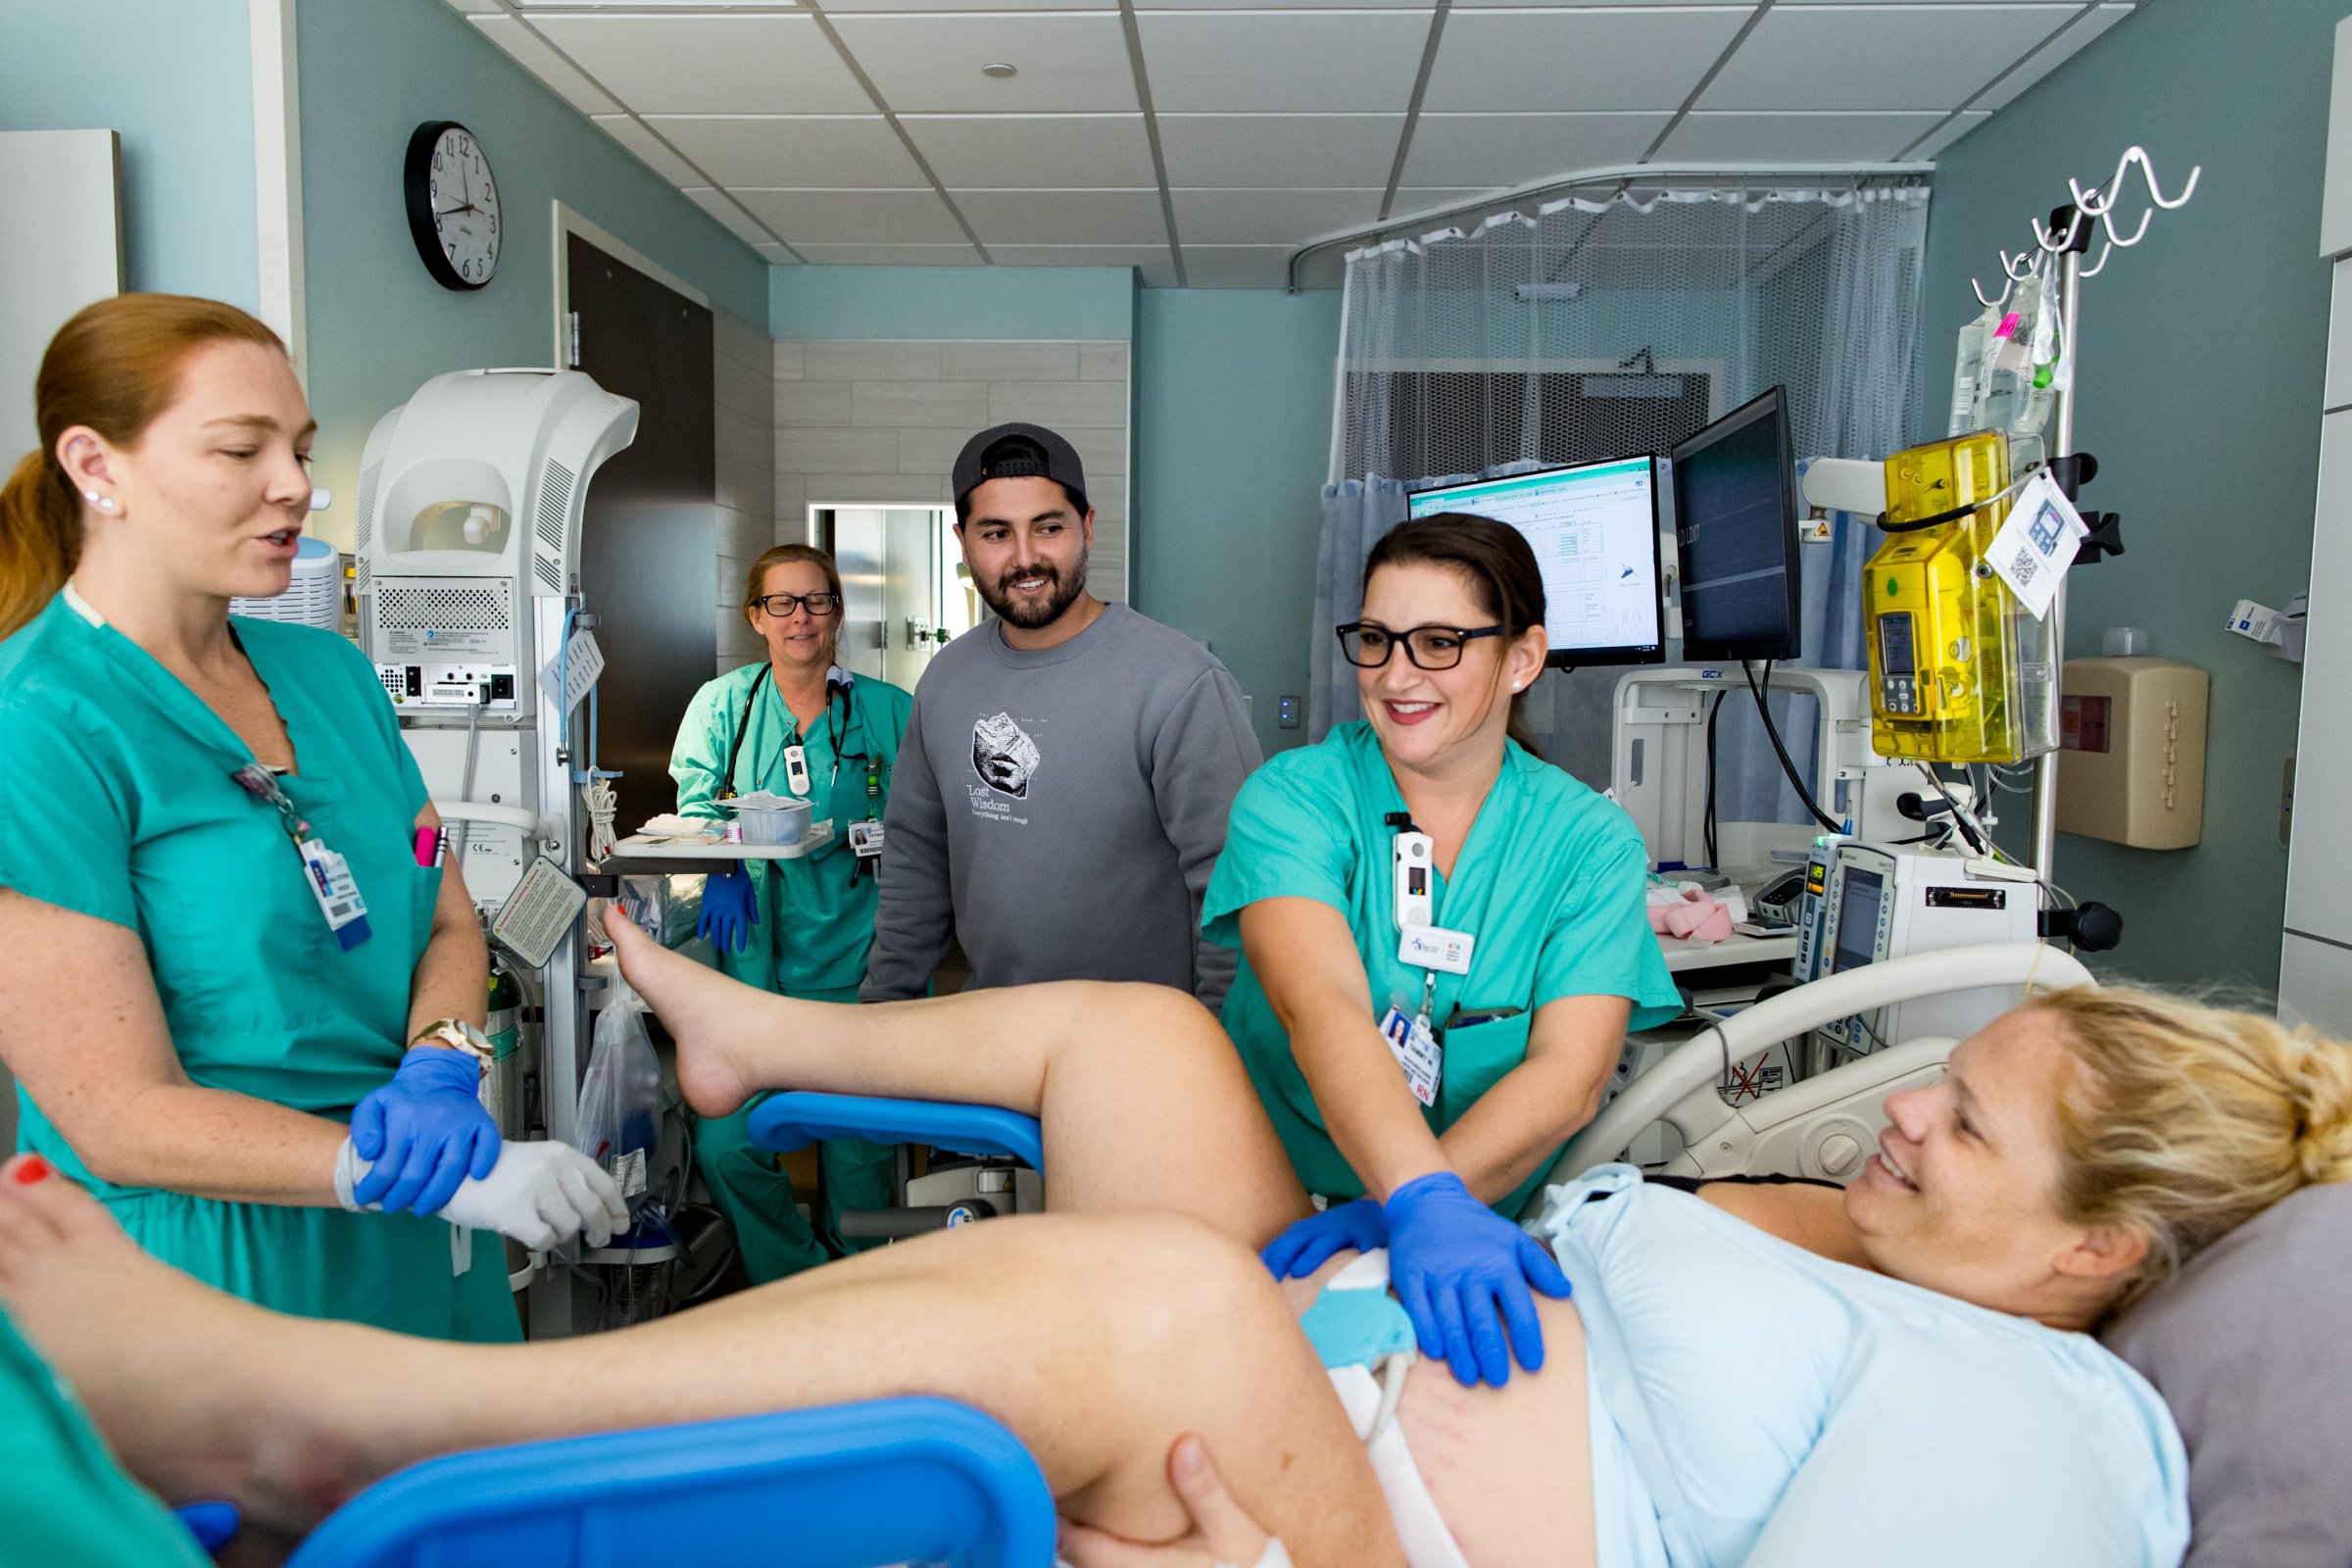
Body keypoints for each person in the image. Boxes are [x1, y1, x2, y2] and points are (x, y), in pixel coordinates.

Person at [10, 919, 2348, 1567]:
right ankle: (736, 1038)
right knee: (1136, 1035)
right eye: (1943, 1067)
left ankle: (319, 1412)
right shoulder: (1859, 1248)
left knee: (1148, 1295)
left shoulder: (2039, 1421)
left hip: (1357, 1523)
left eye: (1970, 1119)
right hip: (1339, 1348)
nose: (1907, 1102)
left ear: (2091, 1258)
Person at [0, 295, 621, 1342]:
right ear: (95, 467)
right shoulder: (40, 726)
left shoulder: (331, 674)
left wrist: (443, 1060)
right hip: (213, 1275)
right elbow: (117, 1116)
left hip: (420, 1238)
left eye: (298, 448)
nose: (294, 486)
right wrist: (376, 1166)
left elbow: (446, 915)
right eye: (241, 450)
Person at [1209, 513, 1682, 1385]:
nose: (1396, 675)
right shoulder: (1295, 800)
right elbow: (1322, 1007)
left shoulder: (1589, 844)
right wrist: (1417, 1197)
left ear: (1522, 659)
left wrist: (1414, 1207)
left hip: (1467, 1225)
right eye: (1377, 640)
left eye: (1438, 643)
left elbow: (1569, 1077)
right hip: (1265, 1191)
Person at [860, 421, 1260, 1012]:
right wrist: (883, 1014)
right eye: (996, 533)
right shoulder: (946, 681)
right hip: (993, 1036)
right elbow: (914, 863)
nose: (1026, 558)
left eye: (1049, 528)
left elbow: (1235, 891)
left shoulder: (1179, 682)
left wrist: (1219, 1050)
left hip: (1144, 1051)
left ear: (1088, 527)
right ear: (962, 542)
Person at [668, 545, 912, 1279]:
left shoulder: (887, 711)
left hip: (857, 964)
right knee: (725, 1147)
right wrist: (722, 867)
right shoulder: (725, 704)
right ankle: (795, 1276)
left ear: (838, 611)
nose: (800, 618)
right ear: (756, 616)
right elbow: (694, 804)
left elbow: (928, 824)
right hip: (753, 976)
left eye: (817, 601)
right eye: (783, 603)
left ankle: (854, 1292)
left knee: (860, 1158)